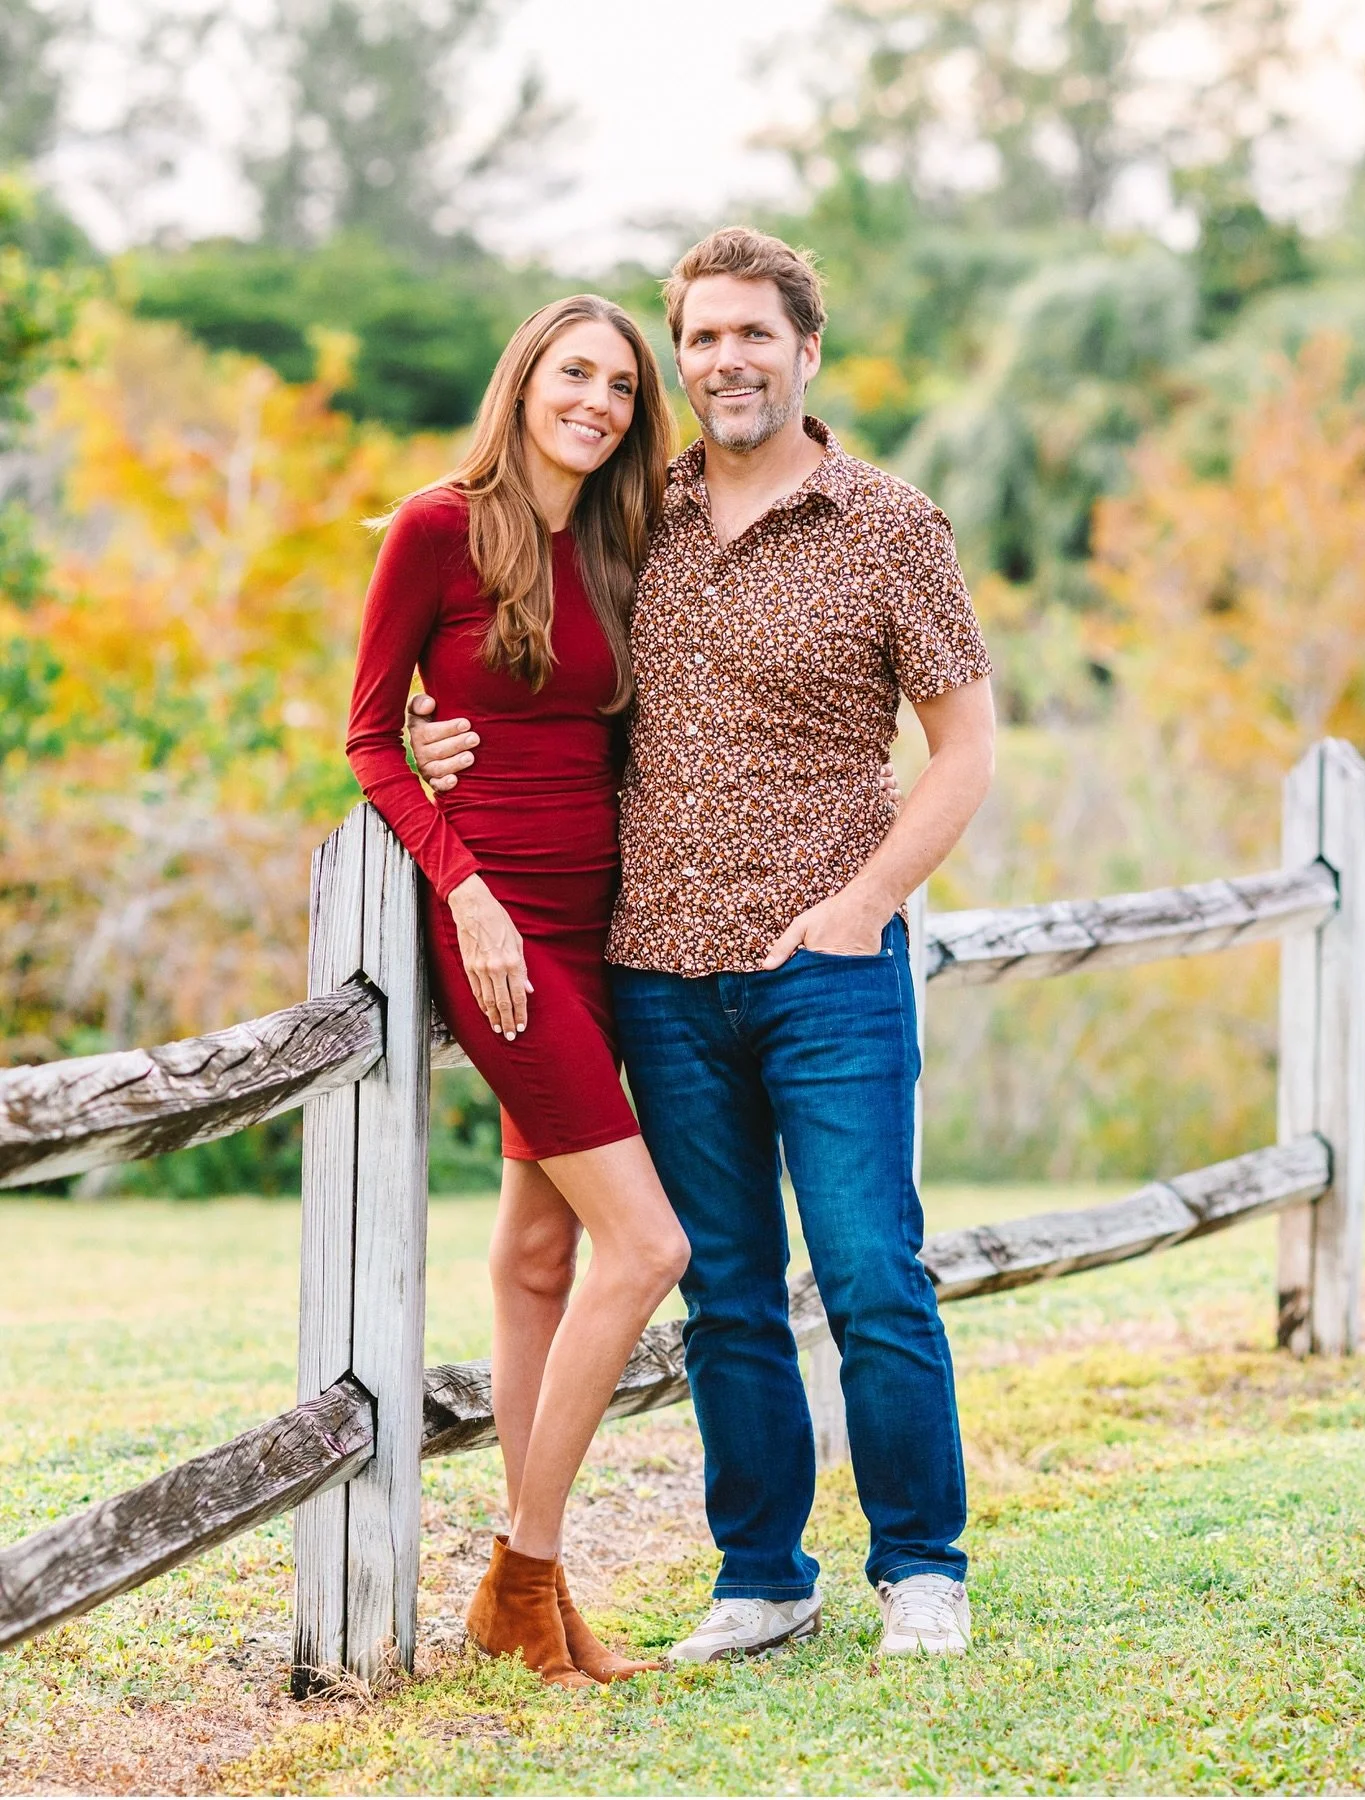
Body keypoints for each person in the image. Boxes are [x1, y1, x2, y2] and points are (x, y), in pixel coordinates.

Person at [410, 228, 996, 1663]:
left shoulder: (889, 524)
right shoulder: (634, 518)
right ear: (683, 358)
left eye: (755, 335)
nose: (728, 361)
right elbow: (522, 658)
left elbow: (968, 749)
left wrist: (864, 904)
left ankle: (920, 1567)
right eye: (704, 338)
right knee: (724, 1292)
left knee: (870, 1273)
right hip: (657, 974)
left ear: (807, 350)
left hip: (829, 971)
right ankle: (762, 1577)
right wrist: (433, 735)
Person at [346, 293, 692, 1690]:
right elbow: (372, 738)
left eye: (622, 386)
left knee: (542, 1256)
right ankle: (522, 1575)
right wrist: (466, 892)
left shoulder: (619, 545)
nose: (597, 402)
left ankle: (534, 1592)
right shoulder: (438, 529)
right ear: (524, 381)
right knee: (648, 1248)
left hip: (604, 929)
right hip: (501, 932)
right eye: (575, 374)